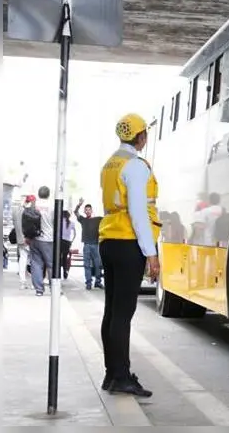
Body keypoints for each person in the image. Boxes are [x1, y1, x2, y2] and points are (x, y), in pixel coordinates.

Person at [98, 113, 162, 397]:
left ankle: (112, 375)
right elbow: (138, 212)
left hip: (109, 239)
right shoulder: (135, 166)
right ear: (140, 137)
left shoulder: (110, 163)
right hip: (128, 242)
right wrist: (151, 254)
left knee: (112, 311)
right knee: (123, 314)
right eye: (144, 134)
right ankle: (121, 376)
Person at [28, 187, 56, 296]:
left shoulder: (33, 205)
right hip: (48, 239)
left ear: (39, 194)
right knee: (51, 264)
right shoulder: (52, 206)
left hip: (34, 238)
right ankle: (54, 288)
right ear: (48, 194)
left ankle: (39, 290)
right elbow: (55, 222)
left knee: (36, 264)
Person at [74, 199, 104, 289]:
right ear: (84, 211)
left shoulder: (98, 219)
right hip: (86, 245)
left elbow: (107, 218)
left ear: (91, 210)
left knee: (97, 264)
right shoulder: (83, 220)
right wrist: (78, 205)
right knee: (86, 265)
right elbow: (75, 212)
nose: (87, 211)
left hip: (95, 245)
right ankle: (88, 283)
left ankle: (98, 282)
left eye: (89, 210)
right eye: (86, 210)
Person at [12, 195, 36, 289]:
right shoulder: (31, 212)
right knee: (35, 261)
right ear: (33, 202)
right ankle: (34, 283)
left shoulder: (16, 211)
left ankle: (22, 282)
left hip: (20, 240)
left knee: (22, 260)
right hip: (29, 239)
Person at [59, 210, 76, 279]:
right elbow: (75, 234)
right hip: (67, 242)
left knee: (58, 257)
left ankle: (58, 273)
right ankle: (65, 273)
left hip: (60, 241)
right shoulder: (72, 223)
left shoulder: (59, 222)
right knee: (65, 258)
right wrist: (71, 241)